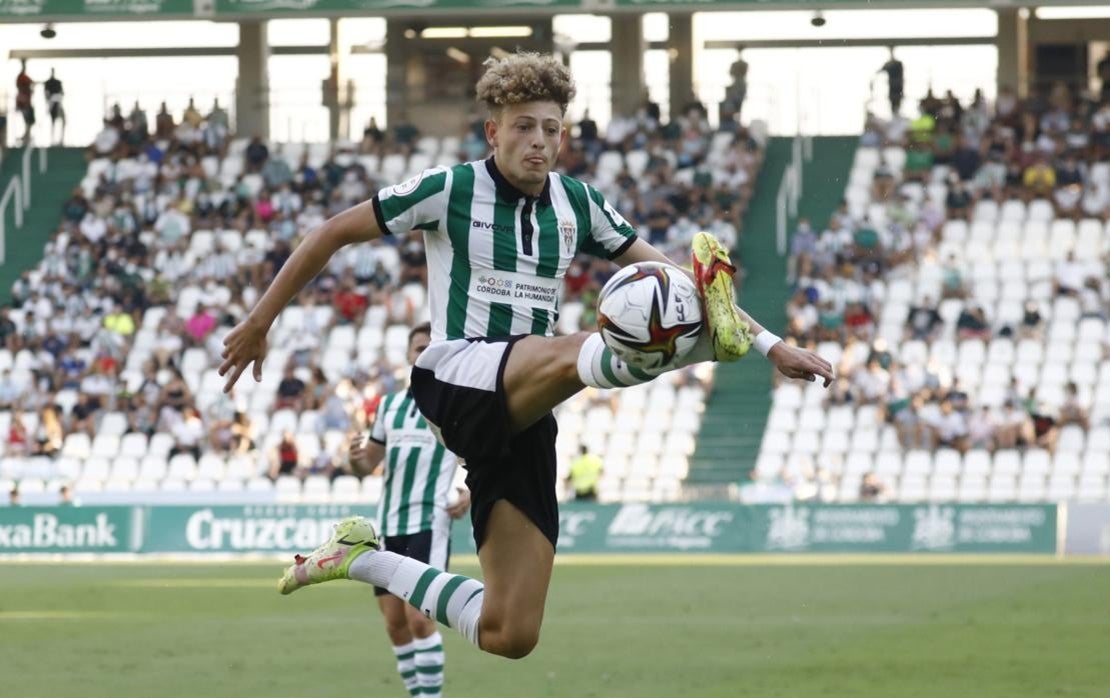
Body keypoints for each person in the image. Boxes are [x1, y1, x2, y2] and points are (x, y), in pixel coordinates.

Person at [220, 52, 831, 661]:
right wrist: (258, 321)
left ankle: (361, 558)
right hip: (456, 377)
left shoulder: (578, 204)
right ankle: (696, 351)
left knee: (509, 633)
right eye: (523, 126)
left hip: (524, 409)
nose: (539, 142)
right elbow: (329, 232)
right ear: (494, 131)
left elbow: (683, 281)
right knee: (600, 341)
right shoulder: (449, 188)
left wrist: (772, 346)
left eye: (551, 129)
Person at [347, 323, 470, 698]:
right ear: (408, 356)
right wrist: (355, 459)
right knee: (395, 624)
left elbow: (481, 459)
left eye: (430, 348)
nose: (423, 354)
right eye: (418, 348)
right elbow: (368, 464)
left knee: (419, 618)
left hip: (428, 523)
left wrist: (467, 493)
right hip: (387, 526)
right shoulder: (389, 406)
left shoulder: (456, 405)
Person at [879, 47, 904, 116]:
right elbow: (880, 71)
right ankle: (895, 113)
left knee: (896, 103)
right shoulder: (889, 64)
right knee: (894, 103)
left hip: (898, 89)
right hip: (893, 89)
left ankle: (896, 113)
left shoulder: (898, 64)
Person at [15, 59, 35, 142]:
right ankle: (26, 136)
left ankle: (27, 136)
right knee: (27, 120)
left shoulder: (24, 77)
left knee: (30, 120)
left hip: (27, 103)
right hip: (23, 104)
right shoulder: (21, 77)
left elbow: (32, 83)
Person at [44, 68, 64, 145]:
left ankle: (61, 139)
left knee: (63, 120)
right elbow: (46, 94)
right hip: (52, 104)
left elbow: (62, 92)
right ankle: (52, 140)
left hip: (58, 103)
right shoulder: (48, 83)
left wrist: (57, 98)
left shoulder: (58, 82)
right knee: (53, 121)